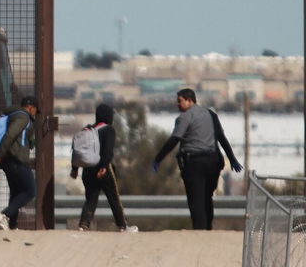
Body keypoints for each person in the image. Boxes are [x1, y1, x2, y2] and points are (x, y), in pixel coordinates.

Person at [152, 87, 242, 230]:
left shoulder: (185, 117)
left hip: (194, 163)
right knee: (207, 198)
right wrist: (232, 159)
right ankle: (208, 228)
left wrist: (158, 159)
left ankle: (200, 232)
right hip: (213, 162)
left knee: (196, 200)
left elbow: (174, 139)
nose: (177, 104)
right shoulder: (211, 114)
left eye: (180, 101)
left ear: (189, 100)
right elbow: (221, 138)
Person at [71, 102, 137, 232]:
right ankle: (123, 226)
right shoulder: (108, 129)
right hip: (103, 169)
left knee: (90, 198)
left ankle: (83, 225)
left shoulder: (87, 129)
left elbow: (78, 151)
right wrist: (104, 167)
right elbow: (108, 151)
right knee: (113, 197)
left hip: (87, 169)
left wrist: (74, 169)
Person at [0, 95, 38, 231]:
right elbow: (10, 134)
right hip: (16, 158)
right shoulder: (23, 117)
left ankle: (12, 224)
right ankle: (4, 215)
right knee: (30, 191)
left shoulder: (11, 115)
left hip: (8, 160)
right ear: (31, 108)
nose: (35, 115)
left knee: (16, 192)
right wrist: (0, 155)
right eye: (35, 111)